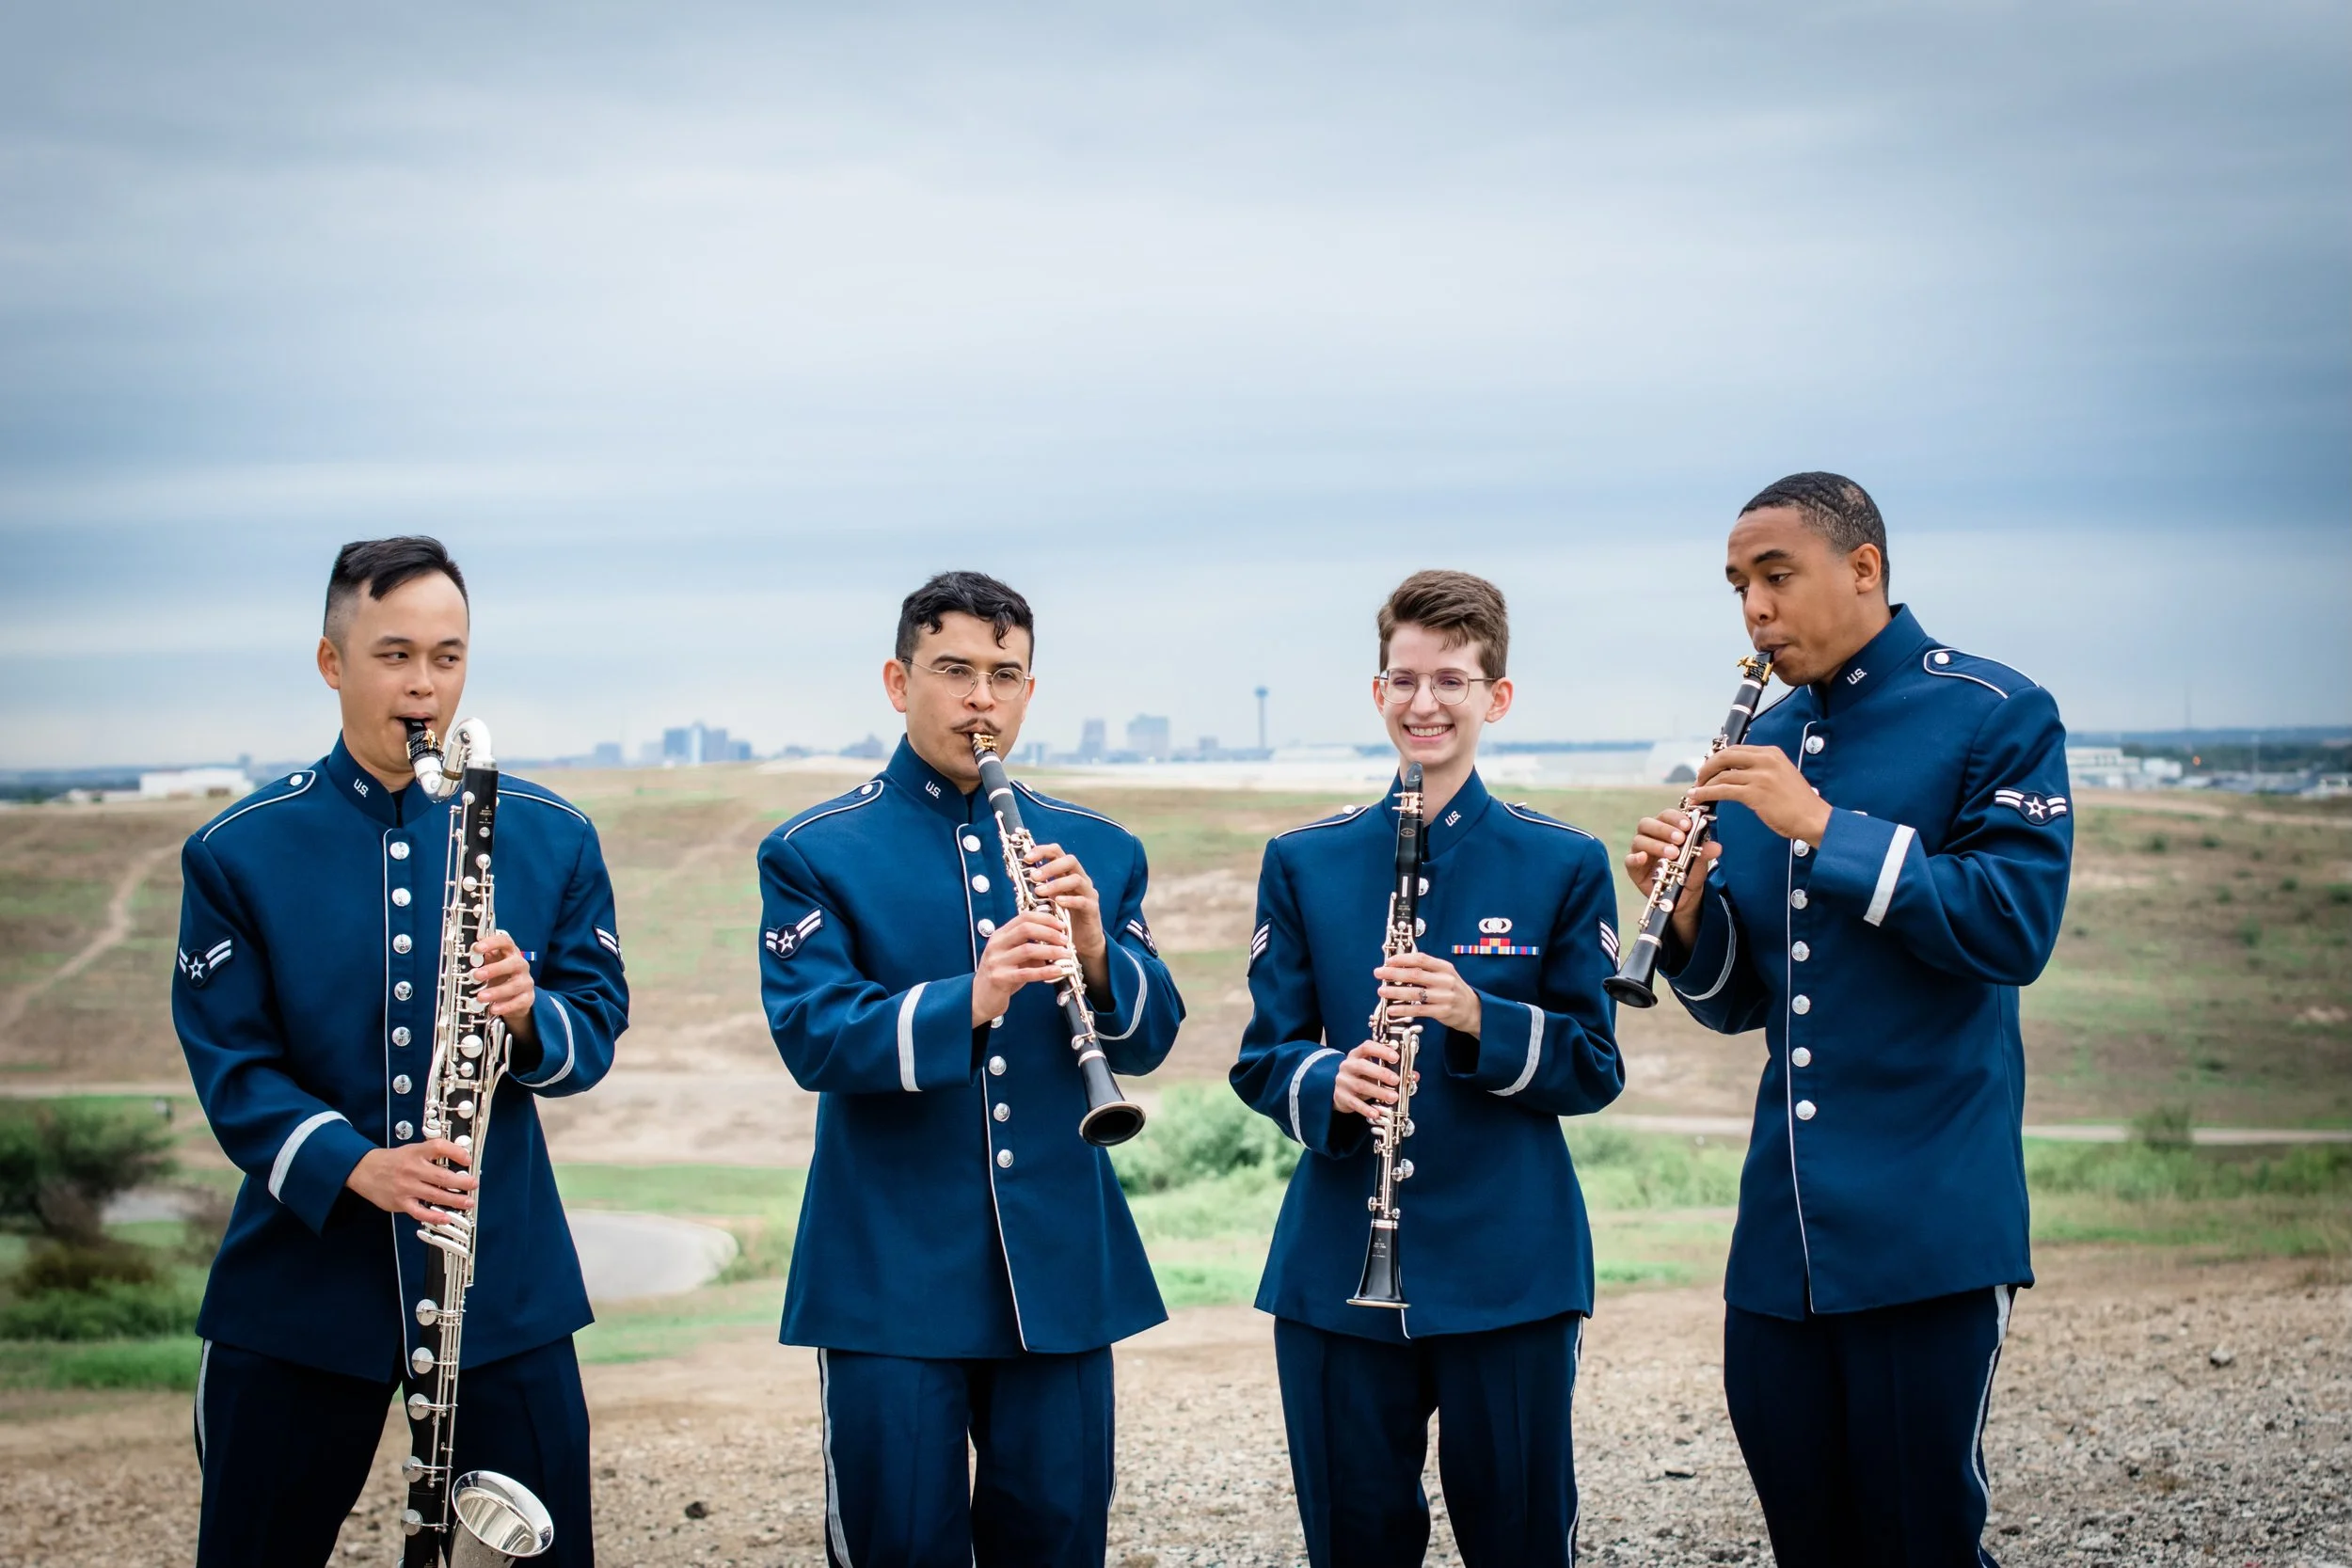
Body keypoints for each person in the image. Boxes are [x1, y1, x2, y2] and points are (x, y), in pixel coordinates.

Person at [1628, 473, 2073, 1566]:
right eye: (1739, 586)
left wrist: (1824, 826)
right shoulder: (1771, 735)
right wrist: (1685, 925)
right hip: (1782, 1240)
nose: (1754, 611)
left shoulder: (1992, 711)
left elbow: (2012, 928)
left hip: (1928, 1227)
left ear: (1862, 568)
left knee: (1919, 1539)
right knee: (1808, 1541)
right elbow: (1745, 1001)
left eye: (1775, 576)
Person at [174, 536, 627, 1568]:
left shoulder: (552, 832)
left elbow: (594, 1021)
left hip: (500, 1284)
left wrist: (527, 1015)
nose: (425, 684)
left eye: (448, 654)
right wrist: (357, 1165)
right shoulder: (238, 848)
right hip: (297, 1285)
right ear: (333, 663)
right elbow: (232, 1064)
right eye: (394, 655)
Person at [756, 570, 1184, 1568]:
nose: (980, 699)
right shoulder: (815, 850)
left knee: (1059, 1540)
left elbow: (1152, 1033)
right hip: (888, 1276)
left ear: (1030, 691)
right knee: (900, 1545)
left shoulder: (1099, 847)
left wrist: (1092, 951)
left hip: (1063, 1272)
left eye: (1004, 674)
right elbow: (815, 1035)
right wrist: (975, 996)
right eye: (954, 670)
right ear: (898, 681)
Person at [1230, 570, 1625, 1568]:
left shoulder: (1563, 861)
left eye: (1451, 680)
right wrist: (1330, 1083)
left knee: (1523, 1540)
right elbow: (1262, 1056)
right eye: (1404, 679)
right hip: (1333, 1270)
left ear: (1496, 695)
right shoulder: (1303, 860)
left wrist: (1472, 1014)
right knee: (1353, 1546)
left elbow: (1591, 1065)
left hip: (1512, 1270)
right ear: (1376, 691)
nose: (1424, 703)